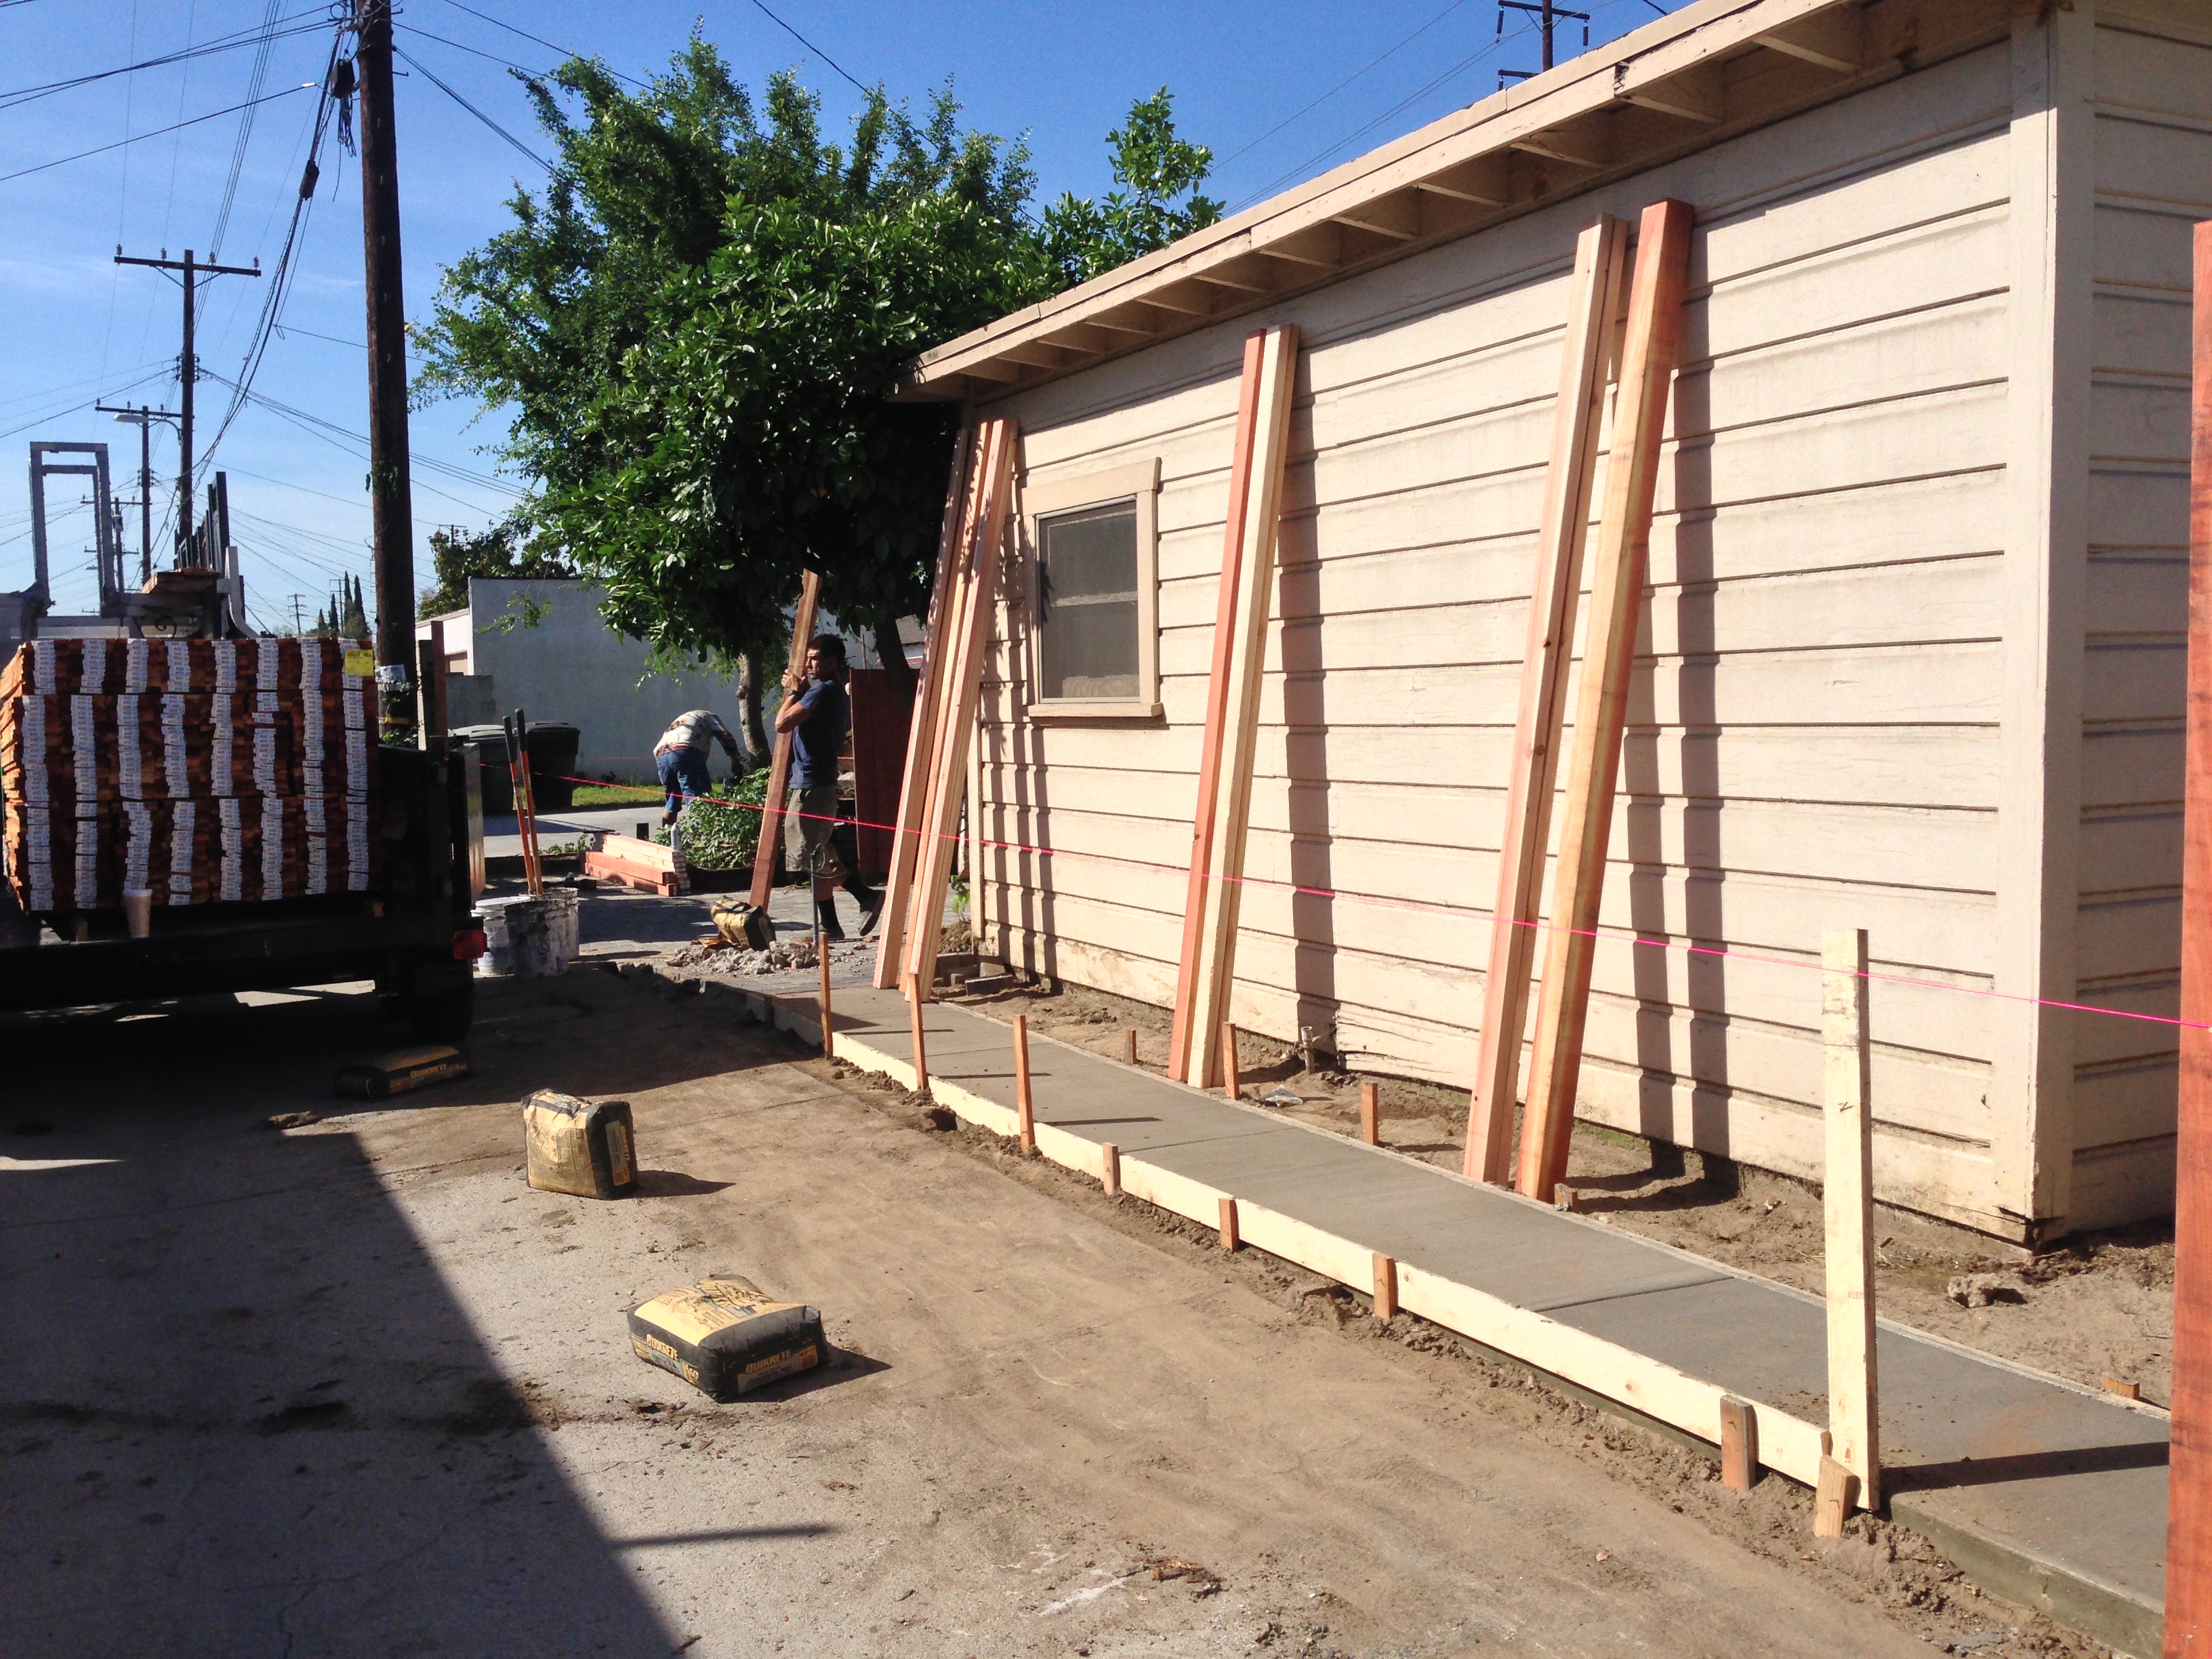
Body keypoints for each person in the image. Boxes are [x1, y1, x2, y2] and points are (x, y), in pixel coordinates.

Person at [775, 634, 881, 938]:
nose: (809, 664)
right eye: (808, 658)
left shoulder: (822, 692)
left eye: (815, 658)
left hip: (812, 786)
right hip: (815, 784)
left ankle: (864, 897)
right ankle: (832, 924)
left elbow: (782, 724)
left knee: (813, 855)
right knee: (818, 855)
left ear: (832, 662)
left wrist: (793, 692)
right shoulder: (828, 690)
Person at [652, 707, 744, 825]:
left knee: (672, 801)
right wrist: (736, 759)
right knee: (700, 800)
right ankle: (701, 834)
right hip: (685, 750)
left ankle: (667, 833)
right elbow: (725, 736)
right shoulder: (709, 716)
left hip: (661, 755)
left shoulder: (684, 721)